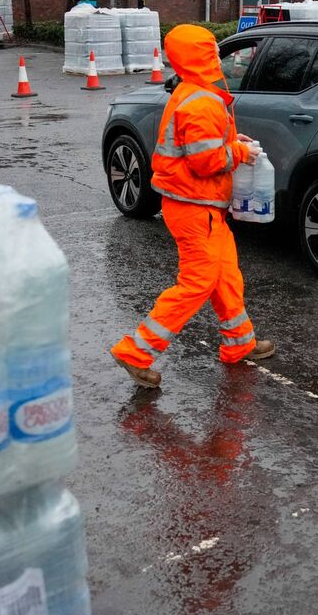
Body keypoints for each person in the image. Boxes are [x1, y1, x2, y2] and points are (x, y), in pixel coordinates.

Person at [111, 24, 275, 388]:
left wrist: (233, 139)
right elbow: (206, 162)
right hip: (194, 206)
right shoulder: (202, 101)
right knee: (197, 282)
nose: (218, 56)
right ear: (201, 56)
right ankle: (135, 352)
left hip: (196, 206)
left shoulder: (193, 92)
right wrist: (240, 152)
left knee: (225, 274)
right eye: (212, 51)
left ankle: (239, 342)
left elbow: (200, 146)